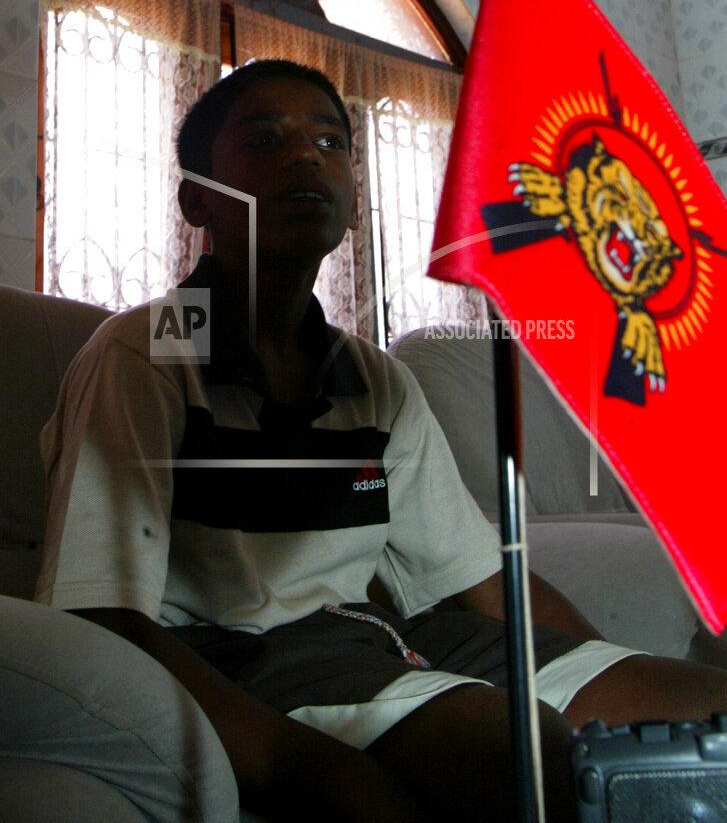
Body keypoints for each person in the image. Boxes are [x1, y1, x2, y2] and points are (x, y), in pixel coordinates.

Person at [35, 60, 727, 822]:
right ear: (198, 198)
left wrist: (604, 666)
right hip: (250, 654)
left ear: (355, 204)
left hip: (393, 635)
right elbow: (102, 612)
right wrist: (291, 764)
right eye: (267, 138)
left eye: (332, 143)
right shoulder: (147, 351)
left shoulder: (373, 378)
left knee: (701, 715)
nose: (307, 156)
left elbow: (482, 581)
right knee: (524, 755)